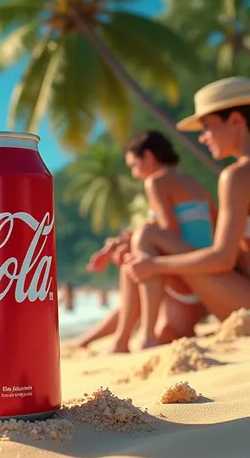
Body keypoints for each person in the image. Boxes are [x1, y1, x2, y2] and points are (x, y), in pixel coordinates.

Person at [125, 77, 250, 325]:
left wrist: (155, 265)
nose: (203, 138)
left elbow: (222, 258)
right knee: (149, 237)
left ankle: (139, 336)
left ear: (236, 120)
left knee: (148, 235)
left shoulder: (237, 176)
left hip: (244, 302)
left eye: (206, 127)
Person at [83, 130, 215, 353]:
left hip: (185, 281)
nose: (134, 174)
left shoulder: (156, 182)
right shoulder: (194, 183)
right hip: (206, 288)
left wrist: (125, 247)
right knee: (136, 258)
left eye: (134, 165)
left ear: (149, 157)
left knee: (133, 264)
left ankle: (136, 338)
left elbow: (167, 232)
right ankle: (111, 341)